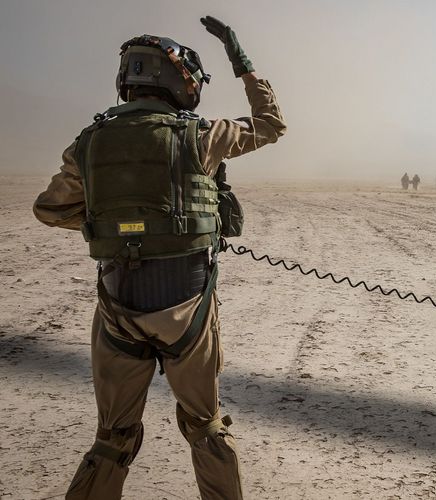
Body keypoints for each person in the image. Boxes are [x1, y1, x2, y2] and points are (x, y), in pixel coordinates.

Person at [33, 15, 286, 500]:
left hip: (118, 305)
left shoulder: (89, 141)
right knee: (205, 427)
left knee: (113, 438)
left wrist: (111, 225)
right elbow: (270, 125)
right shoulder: (201, 135)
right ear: (178, 81)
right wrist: (242, 60)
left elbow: (50, 209)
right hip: (186, 303)